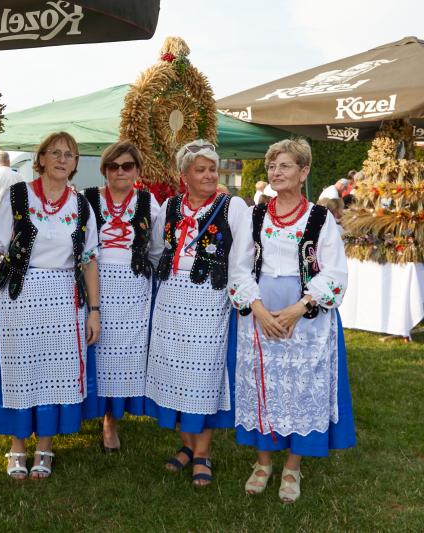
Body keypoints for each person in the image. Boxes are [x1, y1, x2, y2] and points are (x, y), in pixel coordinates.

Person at [228, 138, 355, 504]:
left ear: (304, 172)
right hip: (260, 309)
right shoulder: (255, 215)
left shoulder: (321, 217)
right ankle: (263, 462)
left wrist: (299, 308)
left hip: (305, 313)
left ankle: (292, 466)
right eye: (272, 166)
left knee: (301, 385)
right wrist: (259, 310)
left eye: (284, 166)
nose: (276, 172)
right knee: (261, 382)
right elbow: (238, 267)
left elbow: (334, 272)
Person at [0, 131, 100, 480]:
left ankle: (44, 445)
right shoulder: (18, 196)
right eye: (54, 152)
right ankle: (17, 446)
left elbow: (89, 259)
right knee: (20, 369)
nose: (61, 159)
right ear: (40, 159)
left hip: (64, 300)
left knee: (54, 372)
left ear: (75, 164)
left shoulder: (81, 205)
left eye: (69, 155)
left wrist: (94, 311)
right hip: (21, 295)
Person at [145, 139, 248, 487]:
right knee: (172, 369)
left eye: (212, 169)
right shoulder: (170, 206)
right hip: (171, 299)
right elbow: (158, 248)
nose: (208, 175)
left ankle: (203, 451)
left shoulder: (232, 206)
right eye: (200, 170)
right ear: (184, 175)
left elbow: (242, 255)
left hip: (210, 299)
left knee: (203, 374)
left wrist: (236, 295)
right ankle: (187, 445)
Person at [82, 141, 163, 452]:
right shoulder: (87, 198)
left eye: (127, 166)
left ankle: (110, 422)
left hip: (133, 290)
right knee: (94, 351)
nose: (120, 171)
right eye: (113, 166)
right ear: (104, 170)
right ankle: (89, 409)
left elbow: (157, 246)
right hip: (95, 283)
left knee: (122, 358)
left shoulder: (148, 202)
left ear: (137, 170)